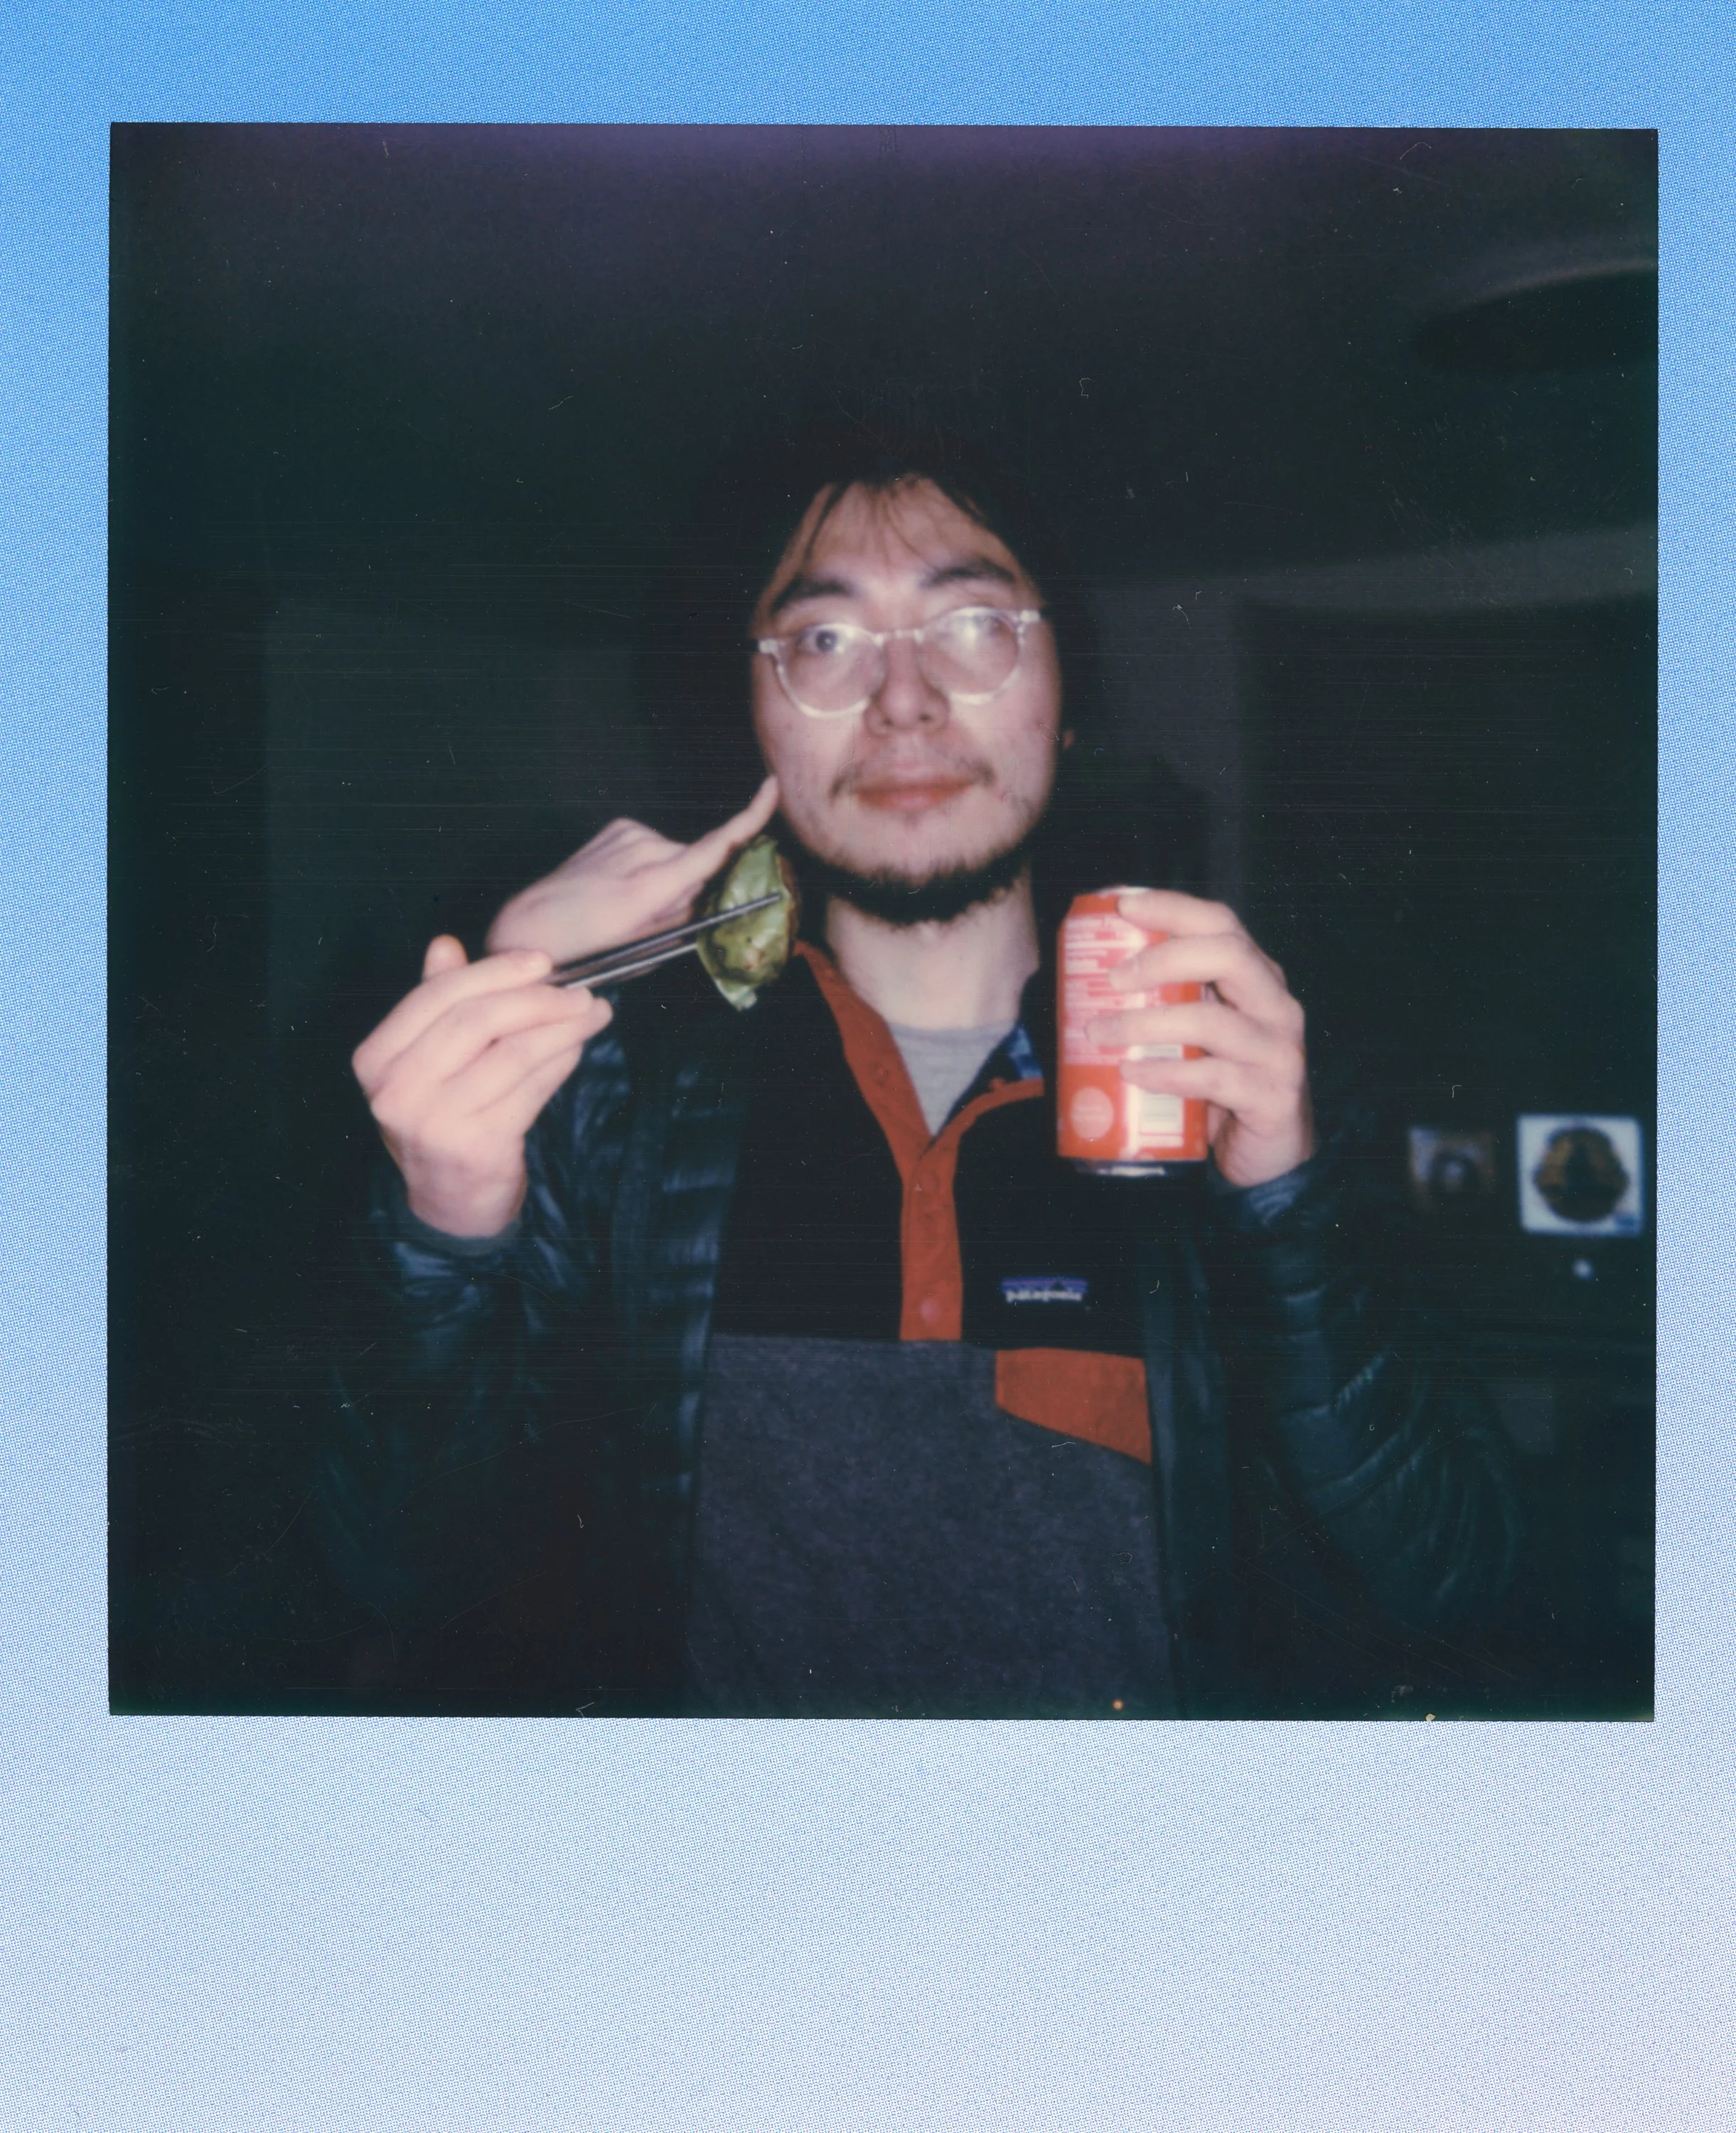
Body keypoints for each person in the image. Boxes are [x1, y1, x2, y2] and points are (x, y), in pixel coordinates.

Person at [326, 429, 1520, 1717]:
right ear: (756, 716)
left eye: (970, 623)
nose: (903, 700)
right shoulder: (622, 1102)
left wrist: (1282, 1211)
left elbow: (1450, 1584)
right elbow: (401, 1574)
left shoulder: (1239, 1094)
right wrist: (444, 1229)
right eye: (826, 642)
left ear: (1068, 699)